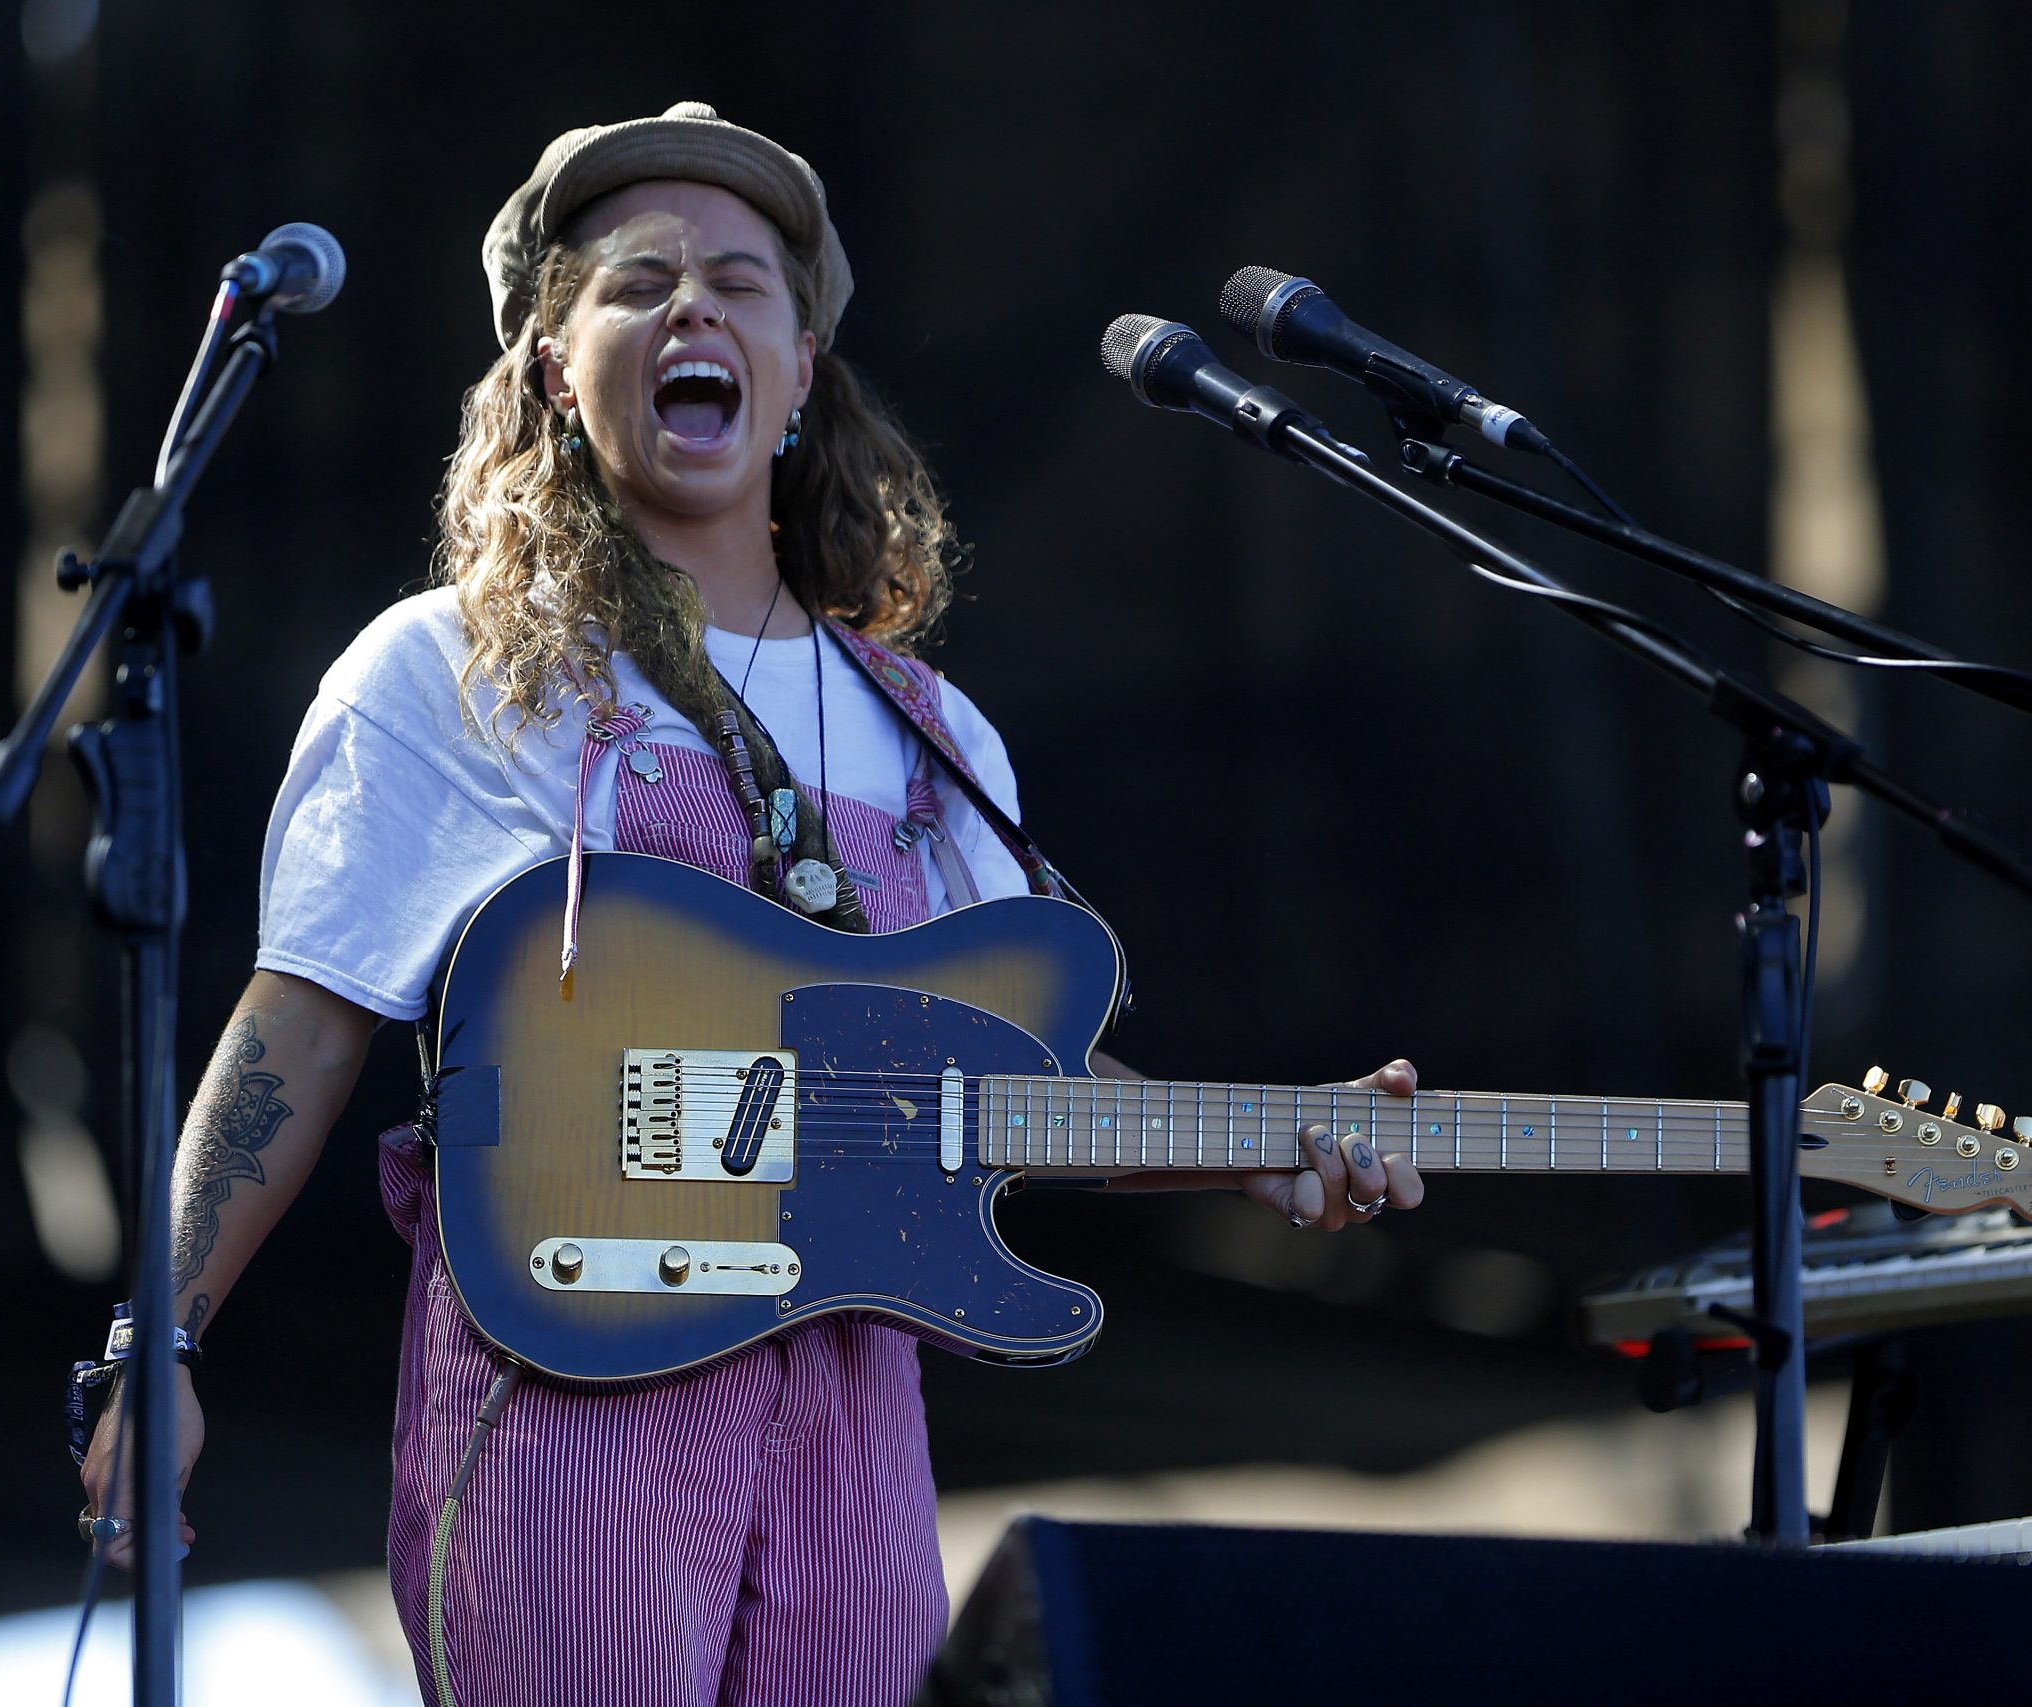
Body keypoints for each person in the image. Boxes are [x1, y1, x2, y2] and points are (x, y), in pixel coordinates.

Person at [79, 102, 1427, 1707]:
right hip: (574, 1372)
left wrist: (1271, 1141)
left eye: (737, 284)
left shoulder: (930, 731)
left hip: (853, 1402)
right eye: (637, 285)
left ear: (799, 373)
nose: (692, 311)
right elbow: (299, 1027)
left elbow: (1025, 1083)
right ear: (552, 371)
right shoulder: (450, 670)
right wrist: (159, 1342)